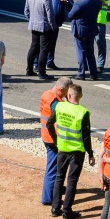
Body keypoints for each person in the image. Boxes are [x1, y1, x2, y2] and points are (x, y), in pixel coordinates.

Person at [48, 82, 94, 219]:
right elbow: (86, 136)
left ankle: (55, 208)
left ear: (68, 94)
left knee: (59, 177)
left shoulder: (60, 106)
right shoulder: (83, 112)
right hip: (77, 151)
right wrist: (90, 153)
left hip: (62, 148)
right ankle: (67, 212)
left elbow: (49, 123)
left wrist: (56, 141)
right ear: (81, 96)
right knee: (72, 180)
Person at [38, 77, 73, 206]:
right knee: (53, 168)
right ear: (61, 89)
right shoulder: (55, 101)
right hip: (53, 138)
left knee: (54, 166)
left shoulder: (47, 94)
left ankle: (54, 189)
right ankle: (48, 198)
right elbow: (63, 114)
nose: (67, 95)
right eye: (66, 92)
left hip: (46, 135)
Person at [67, 0, 102, 80]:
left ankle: (81, 73)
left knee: (81, 52)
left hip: (80, 31)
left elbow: (70, 15)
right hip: (91, 30)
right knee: (90, 52)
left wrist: (69, 6)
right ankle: (93, 74)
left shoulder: (79, 3)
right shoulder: (97, 3)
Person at [24, 0, 56, 78]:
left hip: (34, 25)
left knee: (33, 47)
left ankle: (29, 69)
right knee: (44, 50)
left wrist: (32, 19)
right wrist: (53, 27)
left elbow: (26, 11)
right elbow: (50, 15)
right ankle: (42, 72)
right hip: (44, 27)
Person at [43, 0, 66, 70]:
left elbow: (62, 0)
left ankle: (50, 61)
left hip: (55, 20)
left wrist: (63, 1)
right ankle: (36, 63)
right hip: (44, 21)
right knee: (41, 44)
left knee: (52, 42)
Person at [91, 0, 110, 74]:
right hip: (90, 19)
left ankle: (100, 65)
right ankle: (90, 64)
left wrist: (94, 0)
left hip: (99, 20)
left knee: (100, 43)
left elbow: (96, 1)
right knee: (89, 43)